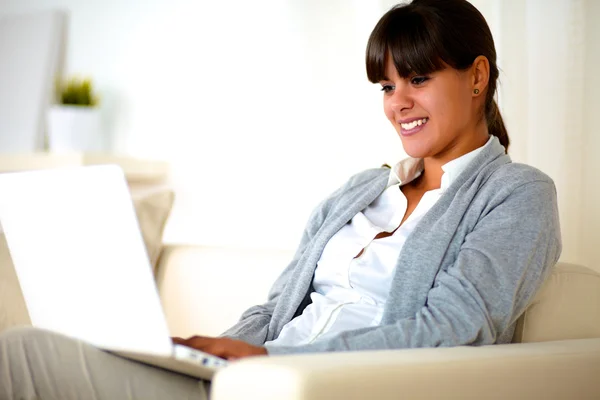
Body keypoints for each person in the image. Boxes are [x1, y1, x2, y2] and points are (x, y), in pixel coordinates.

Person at [0, 0, 561, 398]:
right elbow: (274, 311)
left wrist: (271, 361)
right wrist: (207, 349)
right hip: (248, 384)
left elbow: (453, 328)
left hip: (324, 387)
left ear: (477, 76)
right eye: (387, 87)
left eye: (417, 79)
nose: (398, 103)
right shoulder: (363, 189)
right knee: (23, 347)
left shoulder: (517, 195)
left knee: (22, 359)